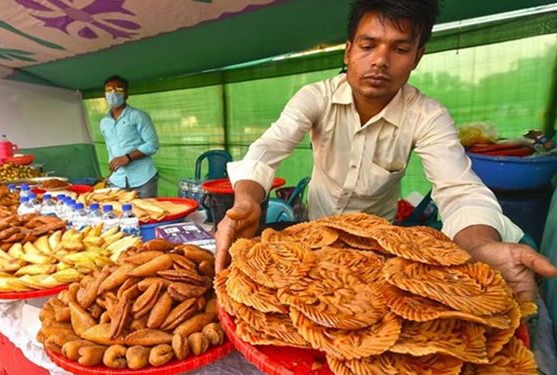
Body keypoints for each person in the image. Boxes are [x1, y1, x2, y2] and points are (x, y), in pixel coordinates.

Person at [214, 0, 557, 303]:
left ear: (417, 57)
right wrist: (246, 202)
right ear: (348, 51)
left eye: (399, 49)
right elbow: (268, 149)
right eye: (368, 45)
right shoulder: (314, 97)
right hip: (314, 236)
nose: (380, 61)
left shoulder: (427, 115)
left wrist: (480, 246)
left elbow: (459, 189)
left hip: (379, 250)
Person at [100, 75, 160, 198]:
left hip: (143, 178)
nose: (113, 93)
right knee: (119, 215)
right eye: (109, 90)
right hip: (117, 181)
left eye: (118, 89)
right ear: (104, 95)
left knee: (146, 214)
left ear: (126, 94)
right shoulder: (104, 122)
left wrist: (128, 157)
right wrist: (111, 175)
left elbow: (152, 144)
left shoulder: (138, 116)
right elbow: (111, 150)